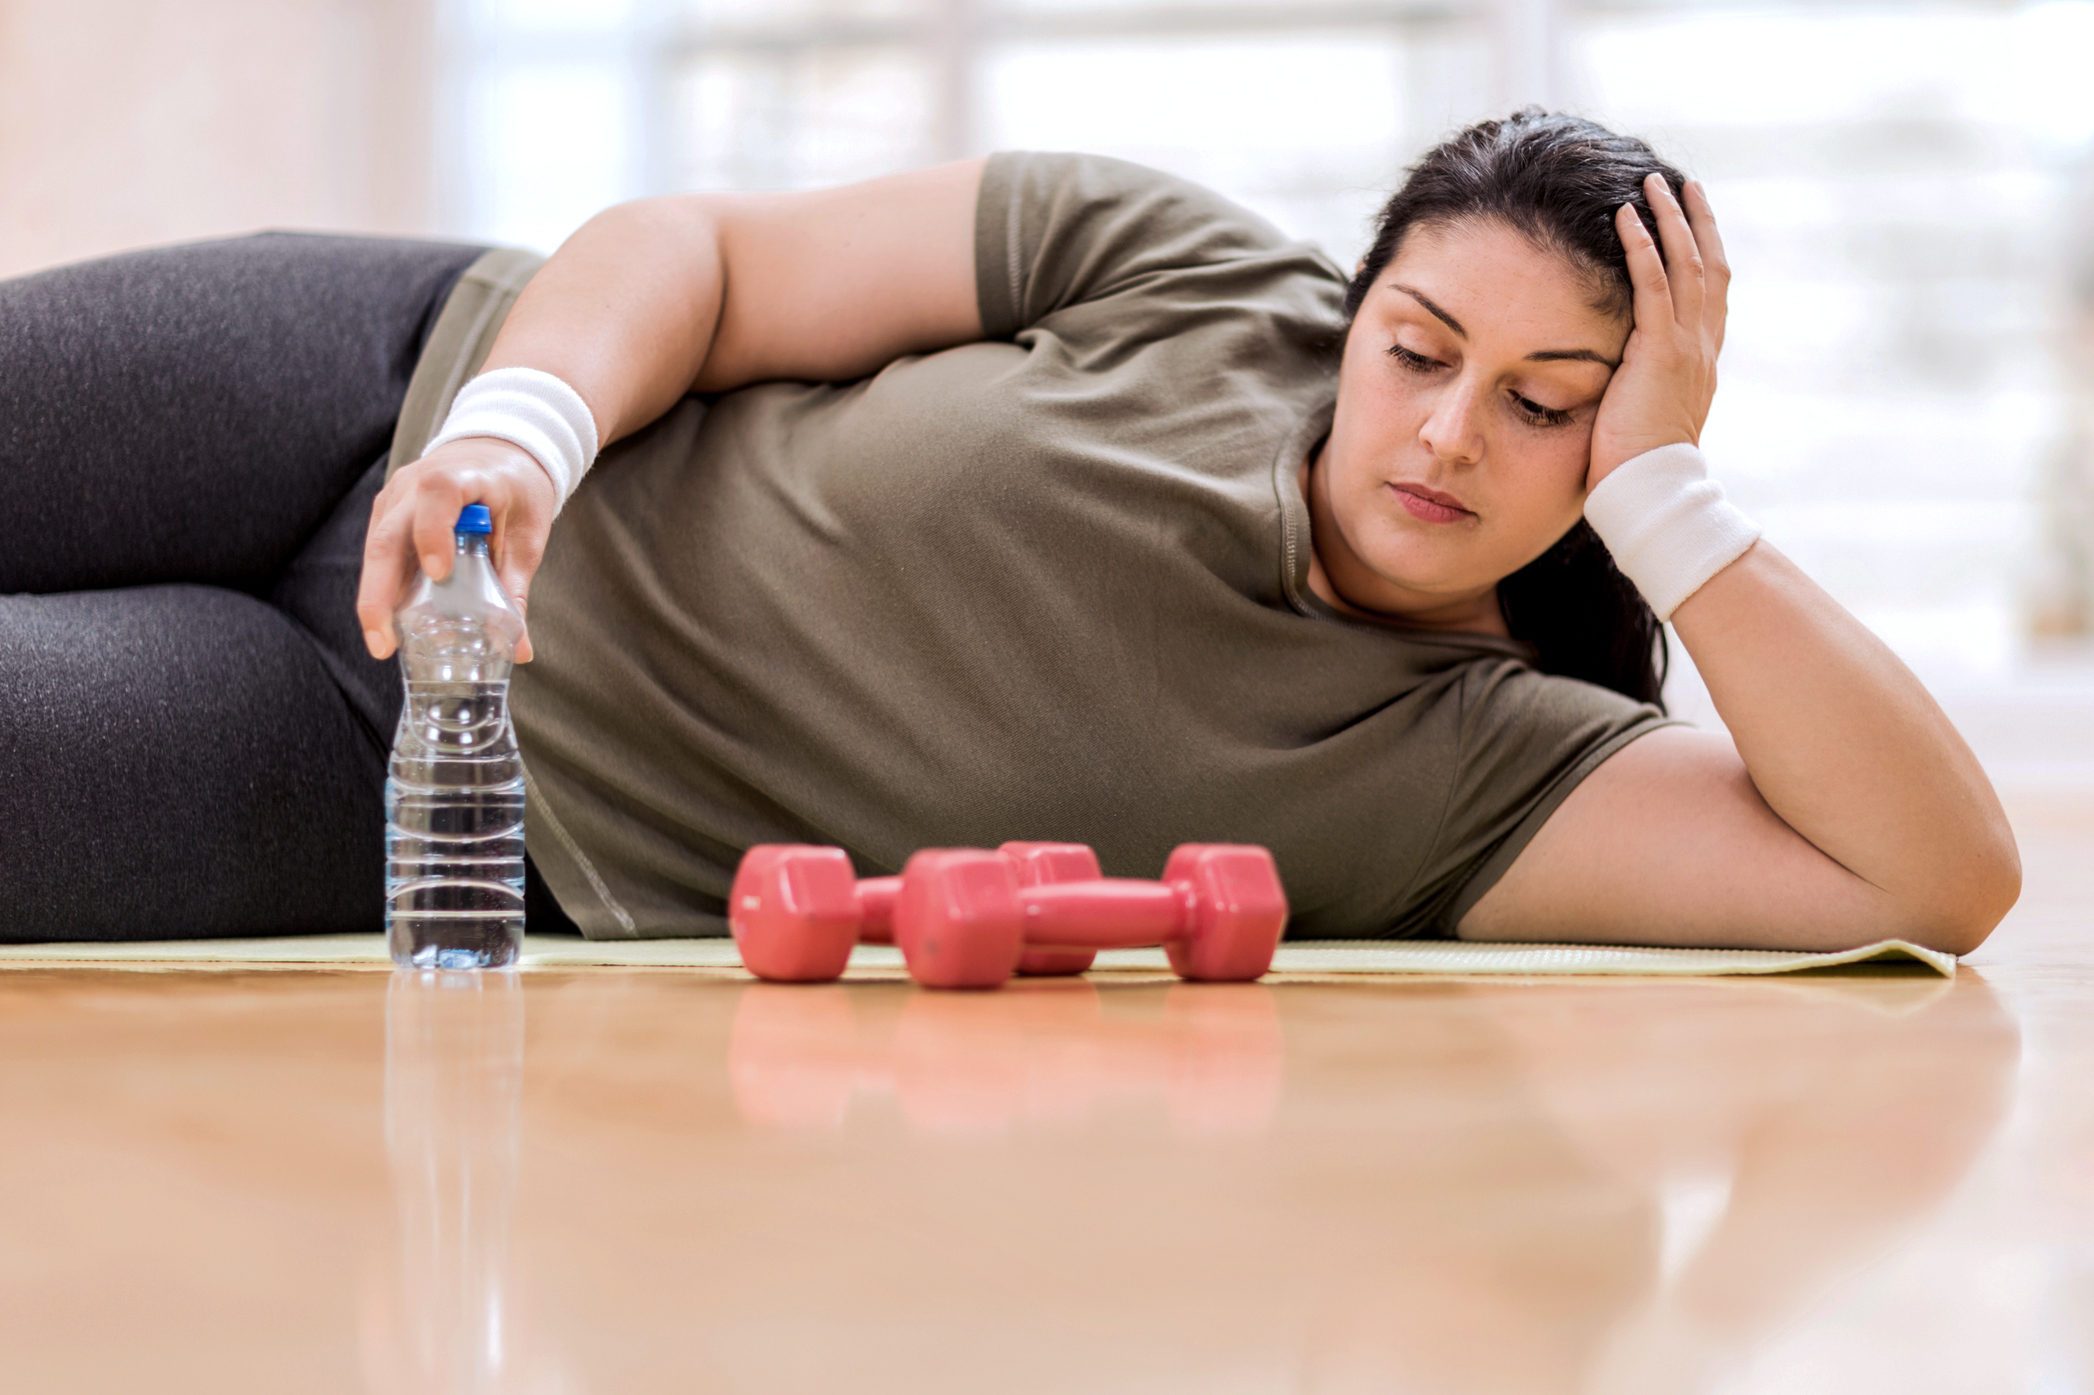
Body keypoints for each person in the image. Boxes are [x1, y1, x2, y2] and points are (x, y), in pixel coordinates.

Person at [1, 107, 2019, 951]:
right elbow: (698, 252)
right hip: (403, 375)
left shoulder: (1480, 768)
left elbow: (1937, 872)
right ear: (1354, 303)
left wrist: (1672, 495)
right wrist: (526, 427)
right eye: (1418, 346)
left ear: (1617, 450)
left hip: (428, 774)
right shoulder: (1190, 280)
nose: (1446, 429)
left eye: (1551, 407)